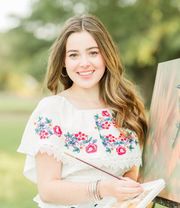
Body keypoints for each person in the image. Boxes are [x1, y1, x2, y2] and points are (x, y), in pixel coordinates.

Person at [17, 14, 148, 208]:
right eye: (73, 55)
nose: (84, 63)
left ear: (106, 55)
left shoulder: (126, 108)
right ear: (63, 61)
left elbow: (132, 174)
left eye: (93, 52)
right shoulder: (52, 110)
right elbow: (48, 190)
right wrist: (104, 189)